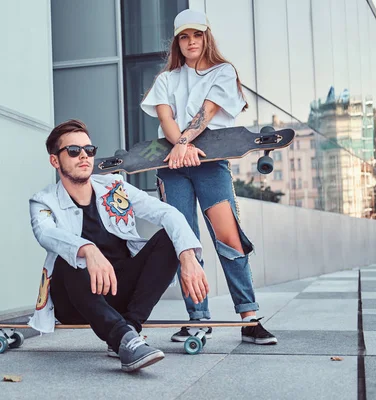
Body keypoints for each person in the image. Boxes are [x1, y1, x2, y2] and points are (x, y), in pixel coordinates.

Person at [140, 8, 277, 345]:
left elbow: (208, 112)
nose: (191, 42)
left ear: (206, 36)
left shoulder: (223, 71)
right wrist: (181, 145)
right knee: (184, 240)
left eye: (196, 35)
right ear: (177, 41)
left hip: (210, 162)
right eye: (184, 37)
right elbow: (167, 120)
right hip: (172, 166)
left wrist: (184, 142)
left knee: (228, 236)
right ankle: (197, 318)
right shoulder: (165, 80)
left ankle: (249, 317)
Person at [27, 119, 209, 372]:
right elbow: (45, 233)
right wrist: (88, 250)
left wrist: (187, 255)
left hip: (119, 292)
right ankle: (125, 338)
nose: (84, 156)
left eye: (89, 150)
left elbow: (167, 213)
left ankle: (128, 334)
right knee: (68, 258)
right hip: (76, 300)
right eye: (73, 151)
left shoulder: (114, 187)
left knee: (171, 238)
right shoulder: (43, 201)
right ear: (55, 161)